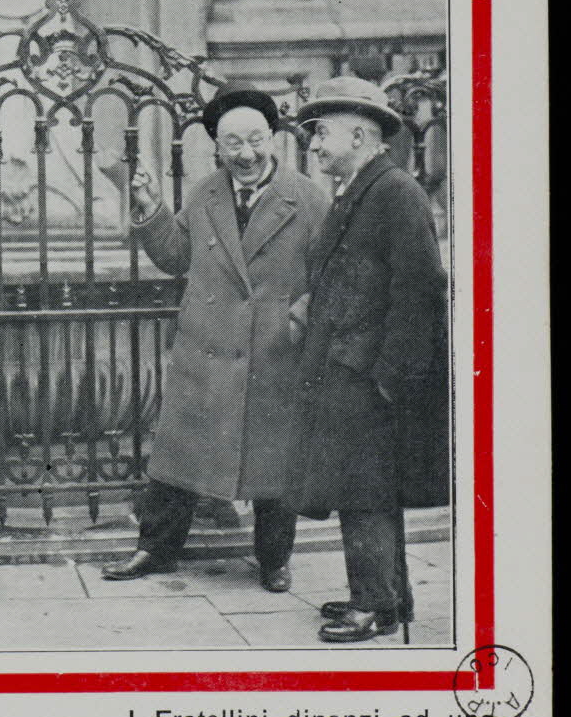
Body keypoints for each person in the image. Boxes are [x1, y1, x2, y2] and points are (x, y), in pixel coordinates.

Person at [103, 85, 329, 590]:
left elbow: (329, 275)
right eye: (233, 144)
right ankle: (155, 550)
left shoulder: (309, 199)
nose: (245, 154)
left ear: (273, 139)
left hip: (273, 352)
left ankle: (275, 559)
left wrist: (300, 316)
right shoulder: (206, 192)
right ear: (217, 148)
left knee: (276, 461)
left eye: (255, 140)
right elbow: (176, 257)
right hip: (206, 349)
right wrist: (148, 206)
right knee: (178, 455)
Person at [285, 76, 450, 641]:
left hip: (369, 374)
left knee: (367, 491)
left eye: (320, 134)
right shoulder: (363, 188)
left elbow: (420, 286)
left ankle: (375, 605)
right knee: (362, 487)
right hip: (350, 366)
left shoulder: (393, 192)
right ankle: (385, 597)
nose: (312, 146)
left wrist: (391, 377)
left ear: (359, 133)